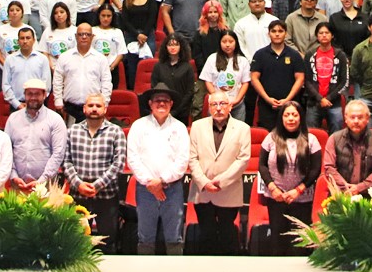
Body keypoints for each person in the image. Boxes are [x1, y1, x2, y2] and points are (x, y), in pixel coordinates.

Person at [127, 84, 190, 256]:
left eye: (165, 101)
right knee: (145, 237)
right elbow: (132, 158)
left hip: (173, 189)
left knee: (174, 237)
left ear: (171, 104)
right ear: (150, 103)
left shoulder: (180, 128)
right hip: (145, 189)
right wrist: (151, 183)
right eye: (157, 101)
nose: (161, 104)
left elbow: (182, 161)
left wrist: (160, 181)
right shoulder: (139, 126)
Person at [188, 91, 252, 255]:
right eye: (214, 104)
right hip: (202, 192)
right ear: (208, 107)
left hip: (228, 191)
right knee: (206, 235)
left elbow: (243, 160)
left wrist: (220, 181)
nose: (218, 108)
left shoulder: (243, 128)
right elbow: (192, 158)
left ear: (230, 106)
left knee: (227, 236)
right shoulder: (197, 126)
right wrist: (204, 182)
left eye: (222, 104)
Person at [64, 92, 127, 252]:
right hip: (78, 195)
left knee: (108, 241)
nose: (94, 109)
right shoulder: (72, 131)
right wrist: (78, 185)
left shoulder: (115, 131)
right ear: (84, 109)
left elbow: (119, 163)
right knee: (77, 240)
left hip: (106, 197)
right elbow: (66, 162)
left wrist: (97, 185)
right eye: (90, 105)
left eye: (98, 106)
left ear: (105, 109)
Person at [258, 99, 321, 256]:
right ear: (281, 118)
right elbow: (262, 166)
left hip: (302, 199)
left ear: (301, 117)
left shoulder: (311, 140)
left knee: (301, 244)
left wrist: (297, 190)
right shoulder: (270, 138)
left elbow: (315, 169)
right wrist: (273, 188)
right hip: (276, 198)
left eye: (294, 114)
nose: (291, 118)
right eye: (287, 115)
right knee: (277, 243)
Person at [6, 80, 67, 190]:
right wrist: (14, 176)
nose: (33, 97)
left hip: (46, 185)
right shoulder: (13, 119)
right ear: (24, 95)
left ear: (45, 95)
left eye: (37, 94)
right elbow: (6, 150)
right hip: (18, 184)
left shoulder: (55, 120)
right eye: (30, 94)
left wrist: (42, 179)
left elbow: (58, 153)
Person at [249, 20, 306, 129]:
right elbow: (254, 78)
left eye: (280, 31)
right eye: (273, 31)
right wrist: (267, 99)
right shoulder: (260, 54)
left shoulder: (294, 55)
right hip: (267, 105)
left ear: (286, 33)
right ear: (268, 33)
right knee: (268, 138)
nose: (277, 34)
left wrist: (287, 99)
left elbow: (300, 79)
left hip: (291, 106)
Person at [323, 100, 372, 195]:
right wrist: (345, 187)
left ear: (367, 119)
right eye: (352, 117)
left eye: (360, 117)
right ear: (346, 118)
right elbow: (329, 167)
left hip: (369, 194)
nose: (356, 121)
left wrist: (360, 187)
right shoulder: (334, 139)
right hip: (340, 193)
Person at [54, 24, 113, 123]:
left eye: (87, 34)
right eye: (81, 34)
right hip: (69, 108)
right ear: (76, 36)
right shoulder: (65, 57)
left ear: (92, 37)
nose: (84, 37)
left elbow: (106, 82)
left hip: (93, 108)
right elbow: (57, 80)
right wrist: (58, 100)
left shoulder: (100, 58)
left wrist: (104, 103)